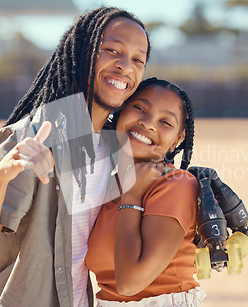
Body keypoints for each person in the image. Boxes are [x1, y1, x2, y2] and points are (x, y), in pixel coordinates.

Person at [0, 6, 151, 307]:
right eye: (112, 50)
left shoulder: (118, 149)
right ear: (82, 52)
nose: (126, 66)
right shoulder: (31, 139)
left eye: (138, 59)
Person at [85, 77, 206, 306]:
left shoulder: (176, 184)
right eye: (139, 108)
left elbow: (130, 283)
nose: (148, 124)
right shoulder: (104, 186)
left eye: (165, 122)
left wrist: (132, 197)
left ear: (177, 140)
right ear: (120, 111)